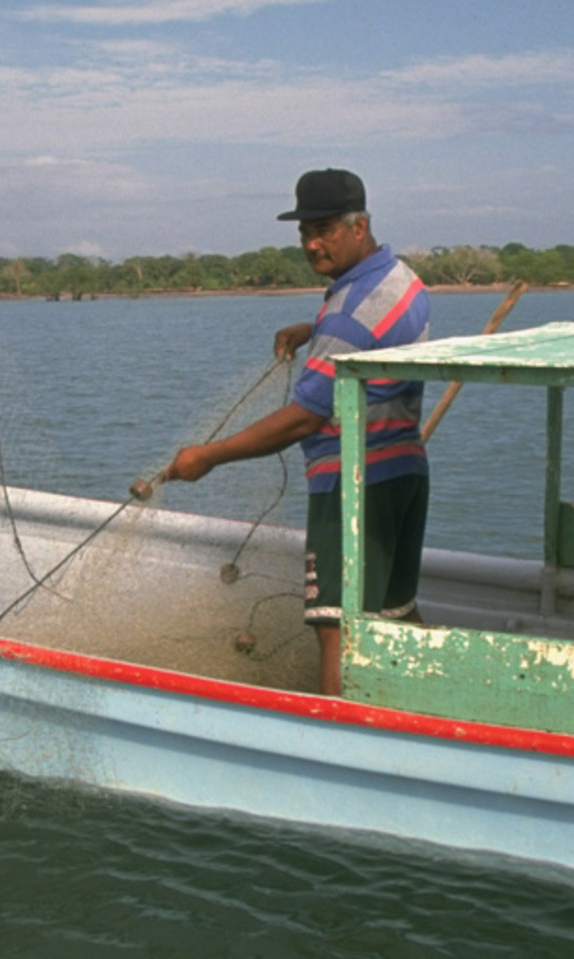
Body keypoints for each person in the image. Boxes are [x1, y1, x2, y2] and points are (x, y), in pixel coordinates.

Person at [163, 169, 429, 695]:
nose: (311, 244)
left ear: (359, 227)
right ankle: (424, 717)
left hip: (355, 485)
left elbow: (306, 417)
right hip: (404, 473)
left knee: (337, 627)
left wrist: (208, 456)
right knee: (394, 616)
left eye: (324, 230)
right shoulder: (399, 279)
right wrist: (315, 330)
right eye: (305, 232)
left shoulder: (349, 316)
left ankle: (340, 736)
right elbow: (373, 333)